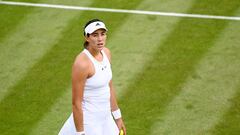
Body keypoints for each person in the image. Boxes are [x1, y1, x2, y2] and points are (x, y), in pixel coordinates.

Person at [58, 19, 126, 135]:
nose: (100, 39)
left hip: (106, 119)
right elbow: (76, 103)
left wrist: (117, 117)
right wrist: (80, 133)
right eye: (95, 35)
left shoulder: (106, 53)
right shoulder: (82, 64)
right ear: (87, 37)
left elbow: (109, 87)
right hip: (89, 122)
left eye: (102, 34)